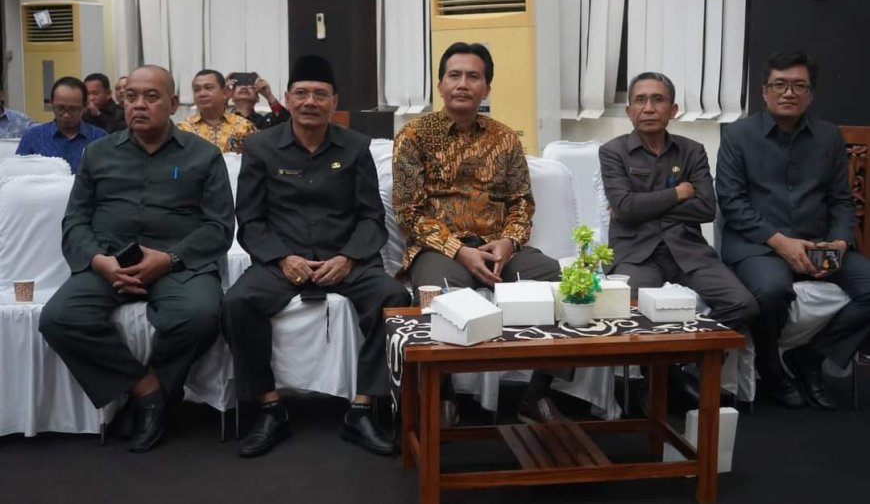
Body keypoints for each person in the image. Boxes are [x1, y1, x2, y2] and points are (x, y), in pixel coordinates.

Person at [221, 54, 410, 458]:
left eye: (320, 94)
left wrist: (348, 258)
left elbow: (371, 217)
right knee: (237, 303)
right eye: (302, 93)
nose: (310, 101)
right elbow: (250, 219)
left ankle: (363, 410)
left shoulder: (355, 147)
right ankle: (270, 409)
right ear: (287, 98)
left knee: (394, 298)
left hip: (344, 259)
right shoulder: (260, 147)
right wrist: (282, 258)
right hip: (281, 262)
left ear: (334, 101)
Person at [38, 65, 235, 452]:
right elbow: (75, 221)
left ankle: (152, 396)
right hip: (110, 263)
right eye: (131, 97)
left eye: (151, 97)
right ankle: (147, 392)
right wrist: (100, 262)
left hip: (177, 265)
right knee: (59, 318)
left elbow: (218, 227)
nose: (139, 105)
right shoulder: (98, 154)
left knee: (199, 316)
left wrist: (169, 258)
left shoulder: (204, 156)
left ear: (173, 104)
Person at [392, 42, 566, 424]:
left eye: (473, 76)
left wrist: (509, 242)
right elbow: (408, 212)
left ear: (486, 88)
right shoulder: (414, 136)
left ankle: (536, 393)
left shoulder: (505, 138)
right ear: (440, 84)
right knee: (434, 294)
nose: (463, 83)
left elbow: (522, 203)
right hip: (439, 250)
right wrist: (459, 250)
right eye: (454, 75)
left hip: (497, 248)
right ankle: (443, 395)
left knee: (557, 281)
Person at [717, 50, 870, 410]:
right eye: (780, 85)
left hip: (820, 243)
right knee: (770, 291)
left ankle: (811, 357)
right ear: (764, 91)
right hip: (760, 245)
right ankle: (771, 367)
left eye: (799, 86)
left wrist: (840, 241)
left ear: (810, 94)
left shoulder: (829, 137)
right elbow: (732, 202)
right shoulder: (737, 135)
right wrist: (781, 243)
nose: (789, 93)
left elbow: (841, 200)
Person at [599, 71, 758, 331]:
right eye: (640, 100)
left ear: (673, 110)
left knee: (743, 305)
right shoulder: (613, 152)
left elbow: (706, 209)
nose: (648, 108)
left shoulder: (692, 151)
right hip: (636, 254)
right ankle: (672, 359)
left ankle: (697, 353)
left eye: (657, 99)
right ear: (629, 111)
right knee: (630, 313)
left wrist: (640, 206)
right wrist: (678, 193)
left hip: (688, 251)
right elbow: (625, 208)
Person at [16, 76, 107, 173]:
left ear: (84, 106)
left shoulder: (100, 138)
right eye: (60, 108)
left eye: (73, 109)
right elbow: (17, 172)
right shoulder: (33, 137)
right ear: (51, 104)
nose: (66, 115)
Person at [177, 69, 257, 153]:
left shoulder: (245, 127)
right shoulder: (183, 128)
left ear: (224, 93)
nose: (202, 94)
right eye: (196, 89)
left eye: (208, 88)